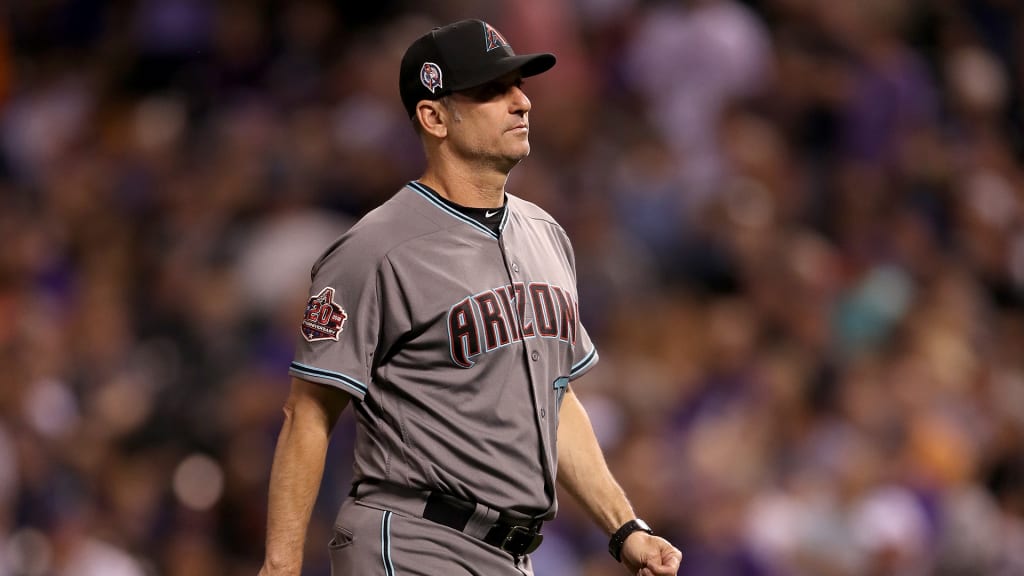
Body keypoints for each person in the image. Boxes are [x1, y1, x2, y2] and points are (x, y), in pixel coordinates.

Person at [258, 18, 682, 576]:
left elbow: (553, 400)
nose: (521, 102)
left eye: (519, 86)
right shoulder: (376, 248)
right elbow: (308, 412)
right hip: (412, 541)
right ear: (434, 116)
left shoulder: (547, 234)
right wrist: (281, 565)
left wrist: (625, 527)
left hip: (511, 555)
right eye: (491, 90)